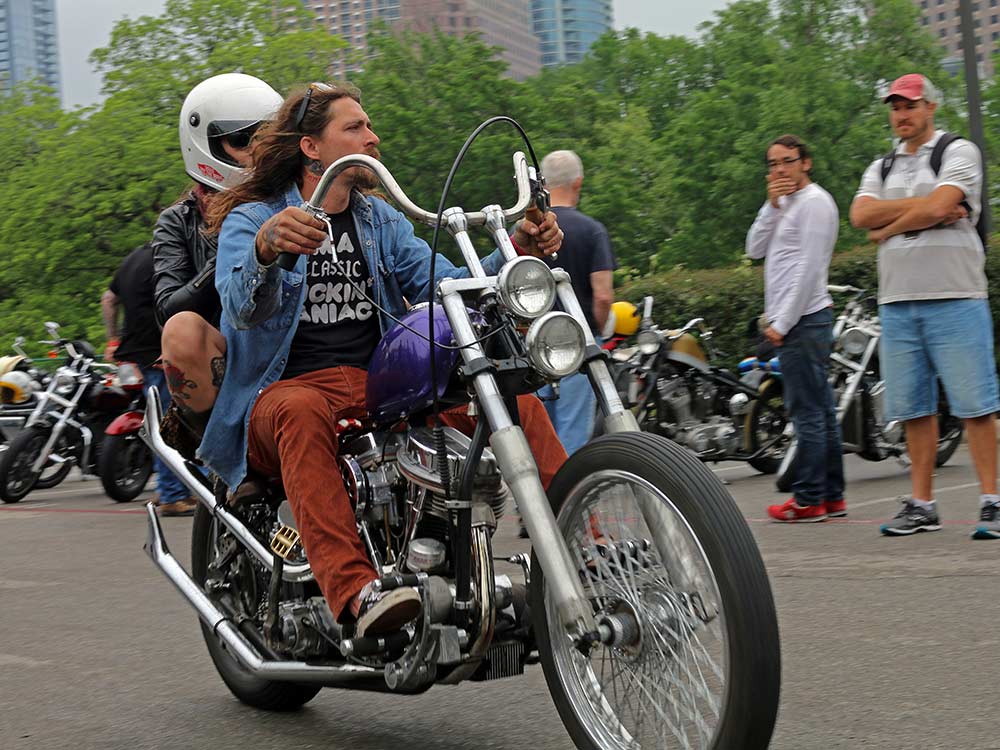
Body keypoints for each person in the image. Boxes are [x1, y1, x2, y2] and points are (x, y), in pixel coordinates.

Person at [174, 82, 566, 637]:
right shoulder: (253, 217)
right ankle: (357, 595)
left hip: (373, 387)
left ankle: (586, 552)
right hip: (280, 395)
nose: (372, 136)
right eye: (355, 127)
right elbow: (239, 307)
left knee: (509, 397)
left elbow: (446, 282)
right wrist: (267, 247)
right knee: (302, 410)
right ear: (311, 147)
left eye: (368, 125)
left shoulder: (378, 221)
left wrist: (520, 251)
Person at [849, 73, 1000, 538]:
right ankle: (922, 505)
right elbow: (860, 215)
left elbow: (940, 207)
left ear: (931, 107)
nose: (902, 115)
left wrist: (889, 225)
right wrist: (927, 208)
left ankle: (992, 502)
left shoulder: (957, 151)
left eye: (910, 106)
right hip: (898, 303)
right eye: (895, 107)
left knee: (975, 407)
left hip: (955, 297)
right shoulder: (881, 165)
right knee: (913, 409)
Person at [154, 73, 282, 454]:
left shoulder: (292, 200)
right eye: (243, 139)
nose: (257, 150)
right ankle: (222, 453)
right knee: (181, 330)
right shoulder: (178, 221)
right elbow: (167, 309)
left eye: (267, 138)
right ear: (206, 145)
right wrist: (243, 251)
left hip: (289, 348)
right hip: (222, 359)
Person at [746, 134, 845, 523]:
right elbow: (754, 248)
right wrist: (771, 206)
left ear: (806, 162)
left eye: (787, 161)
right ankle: (832, 496)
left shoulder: (816, 203)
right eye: (772, 164)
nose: (779, 170)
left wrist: (781, 324)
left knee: (806, 412)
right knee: (820, 410)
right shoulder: (783, 204)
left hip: (803, 320)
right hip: (800, 321)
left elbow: (809, 270)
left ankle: (808, 499)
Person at [102, 244, 195, 516]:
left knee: (158, 420)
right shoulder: (173, 256)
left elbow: (108, 299)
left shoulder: (133, 257)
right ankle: (173, 496)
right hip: (162, 352)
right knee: (174, 422)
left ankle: (170, 489)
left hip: (139, 352)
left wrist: (113, 339)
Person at [535, 150, 615, 455]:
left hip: (535, 343)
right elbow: (604, 295)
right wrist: (597, 332)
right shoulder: (592, 230)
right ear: (578, 183)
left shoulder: (530, 232)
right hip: (578, 344)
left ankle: (541, 497)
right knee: (573, 430)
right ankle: (570, 497)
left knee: (541, 429)